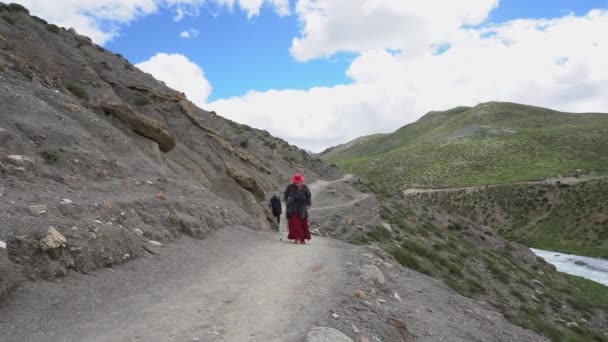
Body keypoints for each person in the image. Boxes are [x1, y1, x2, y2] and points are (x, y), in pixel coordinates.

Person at [284, 173, 312, 244]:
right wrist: (286, 200)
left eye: (298, 182)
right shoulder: (290, 187)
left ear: (301, 181)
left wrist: (308, 204)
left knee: (302, 223)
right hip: (293, 207)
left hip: (302, 207)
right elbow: (285, 193)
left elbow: (308, 196)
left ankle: (302, 239)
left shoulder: (305, 188)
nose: (297, 183)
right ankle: (296, 238)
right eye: (296, 182)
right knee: (294, 223)